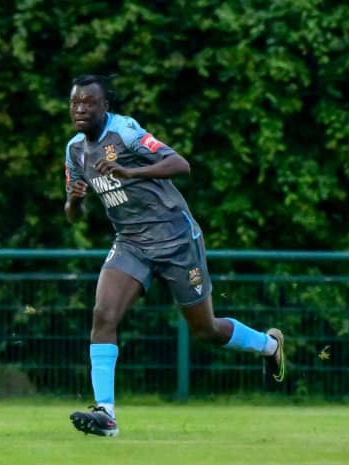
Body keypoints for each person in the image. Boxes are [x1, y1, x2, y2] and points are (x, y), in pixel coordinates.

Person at [62, 74, 286, 437]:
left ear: (105, 106)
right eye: (75, 103)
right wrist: (74, 201)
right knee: (103, 314)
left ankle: (268, 345)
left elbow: (181, 164)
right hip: (131, 242)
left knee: (205, 329)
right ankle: (106, 414)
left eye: (89, 102)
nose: (81, 109)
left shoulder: (126, 132)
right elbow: (73, 215)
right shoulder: (75, 151)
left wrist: (129, 171)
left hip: (176, 238)